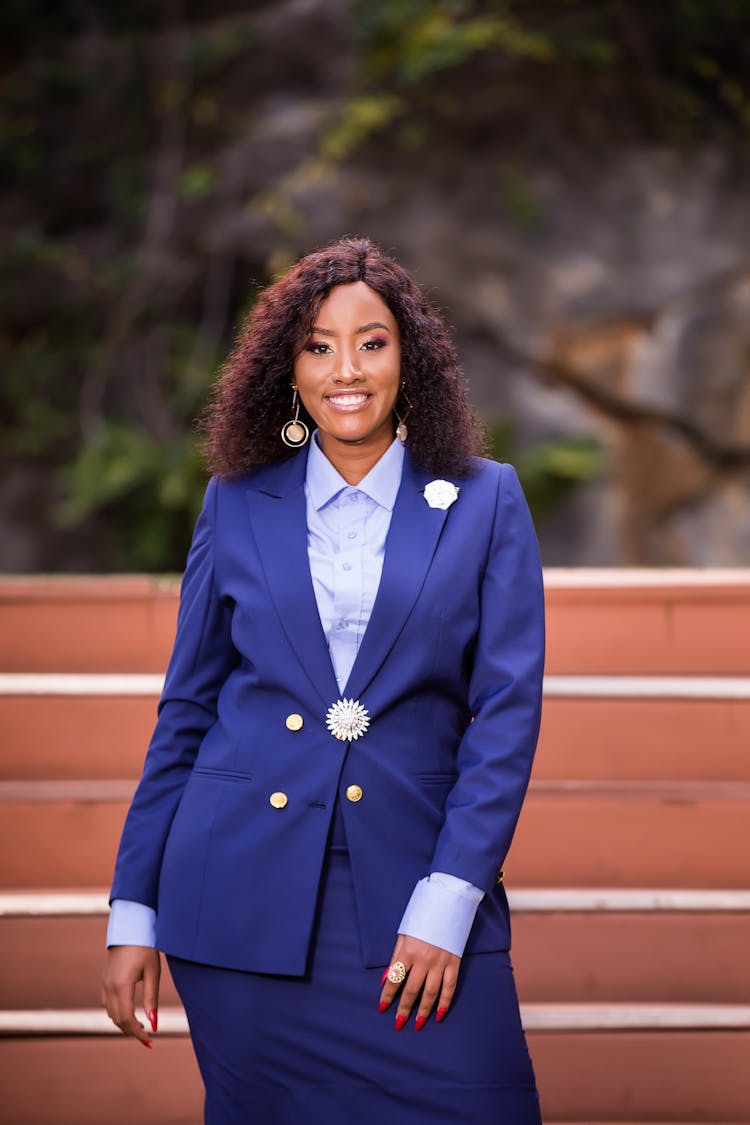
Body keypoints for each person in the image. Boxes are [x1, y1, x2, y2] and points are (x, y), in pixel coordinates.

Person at [102, 236, 546, 1124]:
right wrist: (133, 907)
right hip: (237, 898)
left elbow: (504, 715)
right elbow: (187, 709)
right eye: (317, 344)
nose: (346, 367)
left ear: (408, 360)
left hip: (414, 881)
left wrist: (449, 897)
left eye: (371, 342)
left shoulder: (485, 498)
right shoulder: (235, 498)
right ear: (289, 371)